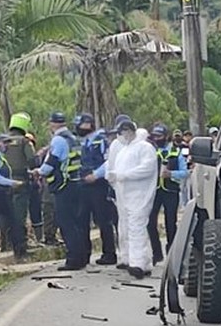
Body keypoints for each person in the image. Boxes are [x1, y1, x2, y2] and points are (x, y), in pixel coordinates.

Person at [33, 112, 89, 271]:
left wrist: (39, 171)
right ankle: (82, 257)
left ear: (53, 124)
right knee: (76, 222)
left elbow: (52, 162)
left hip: (63, 185)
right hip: (77, 183)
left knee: (66, 222)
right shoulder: (73, 138)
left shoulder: (58, 140)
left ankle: (73, 259)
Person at [106, 116, 158, 279]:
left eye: (121, 133)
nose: (119, 136)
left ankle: (137, 264)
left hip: (139, 195)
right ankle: (144, 262)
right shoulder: (124, 150)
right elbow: (114, 167)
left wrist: (123, 175)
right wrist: (113, 176)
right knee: (130, 227)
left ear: (128, 131)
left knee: (136, 227)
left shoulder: (145, 148)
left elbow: (147, 168)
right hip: (125, 196)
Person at [76, 113, 117, 266]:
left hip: (98, 185)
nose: (78, 127)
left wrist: (96, 175)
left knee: (103, 220)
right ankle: (84, 254)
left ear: (89, 124)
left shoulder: (101, 140)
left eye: (80, 124)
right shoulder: (82, 143)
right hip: (83, 185)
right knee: (82, 220)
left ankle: (109, 254)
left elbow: (109, 161)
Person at [146, 124, 190, 264]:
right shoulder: (150, 151)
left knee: (170, 223)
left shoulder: (176, 152)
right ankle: (156, 252)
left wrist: (171, 174)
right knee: (150, 222)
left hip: (171, 191)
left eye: (159, 136)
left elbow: (185, 172)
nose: (157, 139)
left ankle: (172, 252)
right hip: (154, 191)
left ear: (166, 136)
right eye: (155, 136)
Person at [2, 112, 37, 249]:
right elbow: (32, 160)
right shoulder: (24, 141)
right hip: (20, 181)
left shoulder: (2, 141)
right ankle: (21, 243)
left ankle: (6, 243)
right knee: (19, 212)